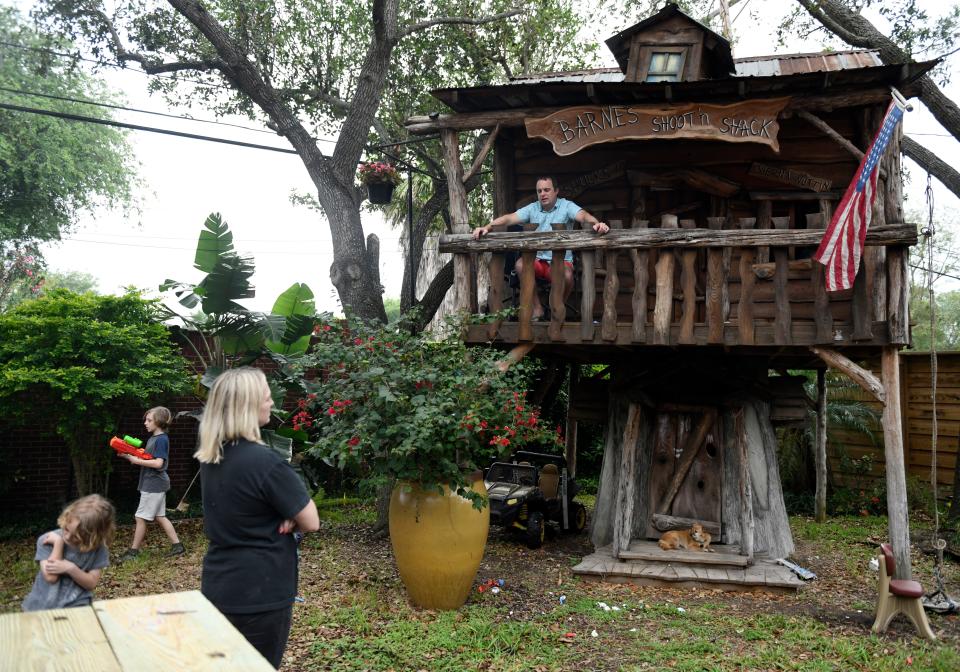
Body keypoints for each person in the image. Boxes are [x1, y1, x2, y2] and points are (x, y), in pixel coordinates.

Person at [195, 367, 320, 669]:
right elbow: (311, 520)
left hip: (219, 586)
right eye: (267, 398)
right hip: (261, 593)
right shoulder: (265, 462)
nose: (272, 404)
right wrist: (290, 514)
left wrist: (288, 512)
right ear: (249, 406)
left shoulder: (213, 458)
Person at [472, 175, 610, 319]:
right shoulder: (533, 208)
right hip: (537, 260)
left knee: (568, 276)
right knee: (520, 265)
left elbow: (583, 216)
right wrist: (487, 227)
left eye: (546, 190)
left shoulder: (566, 206)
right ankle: (537, 309)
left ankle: (557, 308)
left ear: (556, 191)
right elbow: (509, 218)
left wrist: (596, 223)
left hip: (561, 262)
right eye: (539, 191)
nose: (542, 194)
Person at [22, 494, 115, 611]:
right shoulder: (47, 540)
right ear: (66, 518)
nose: (68, 536)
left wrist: (70, 568)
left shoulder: (98, 549)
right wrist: (58, 543)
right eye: (66, 529)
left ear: (93, 536)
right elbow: (51, 577)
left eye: (76, 536)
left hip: (78, 606)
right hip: (41, 605)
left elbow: (91, 583)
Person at [117, 406, 184, 561]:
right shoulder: (154, 438)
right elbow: (148, 460)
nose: (145, 423)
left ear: (159, 422)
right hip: (155, 483)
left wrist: (136, 460)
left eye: (149, 420)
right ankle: (178, 546)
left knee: (140, 517)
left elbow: (158, 463)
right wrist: (129, 456)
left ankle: (133, 552)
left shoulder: (161, 439)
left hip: (154, 484)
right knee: (160, 516)